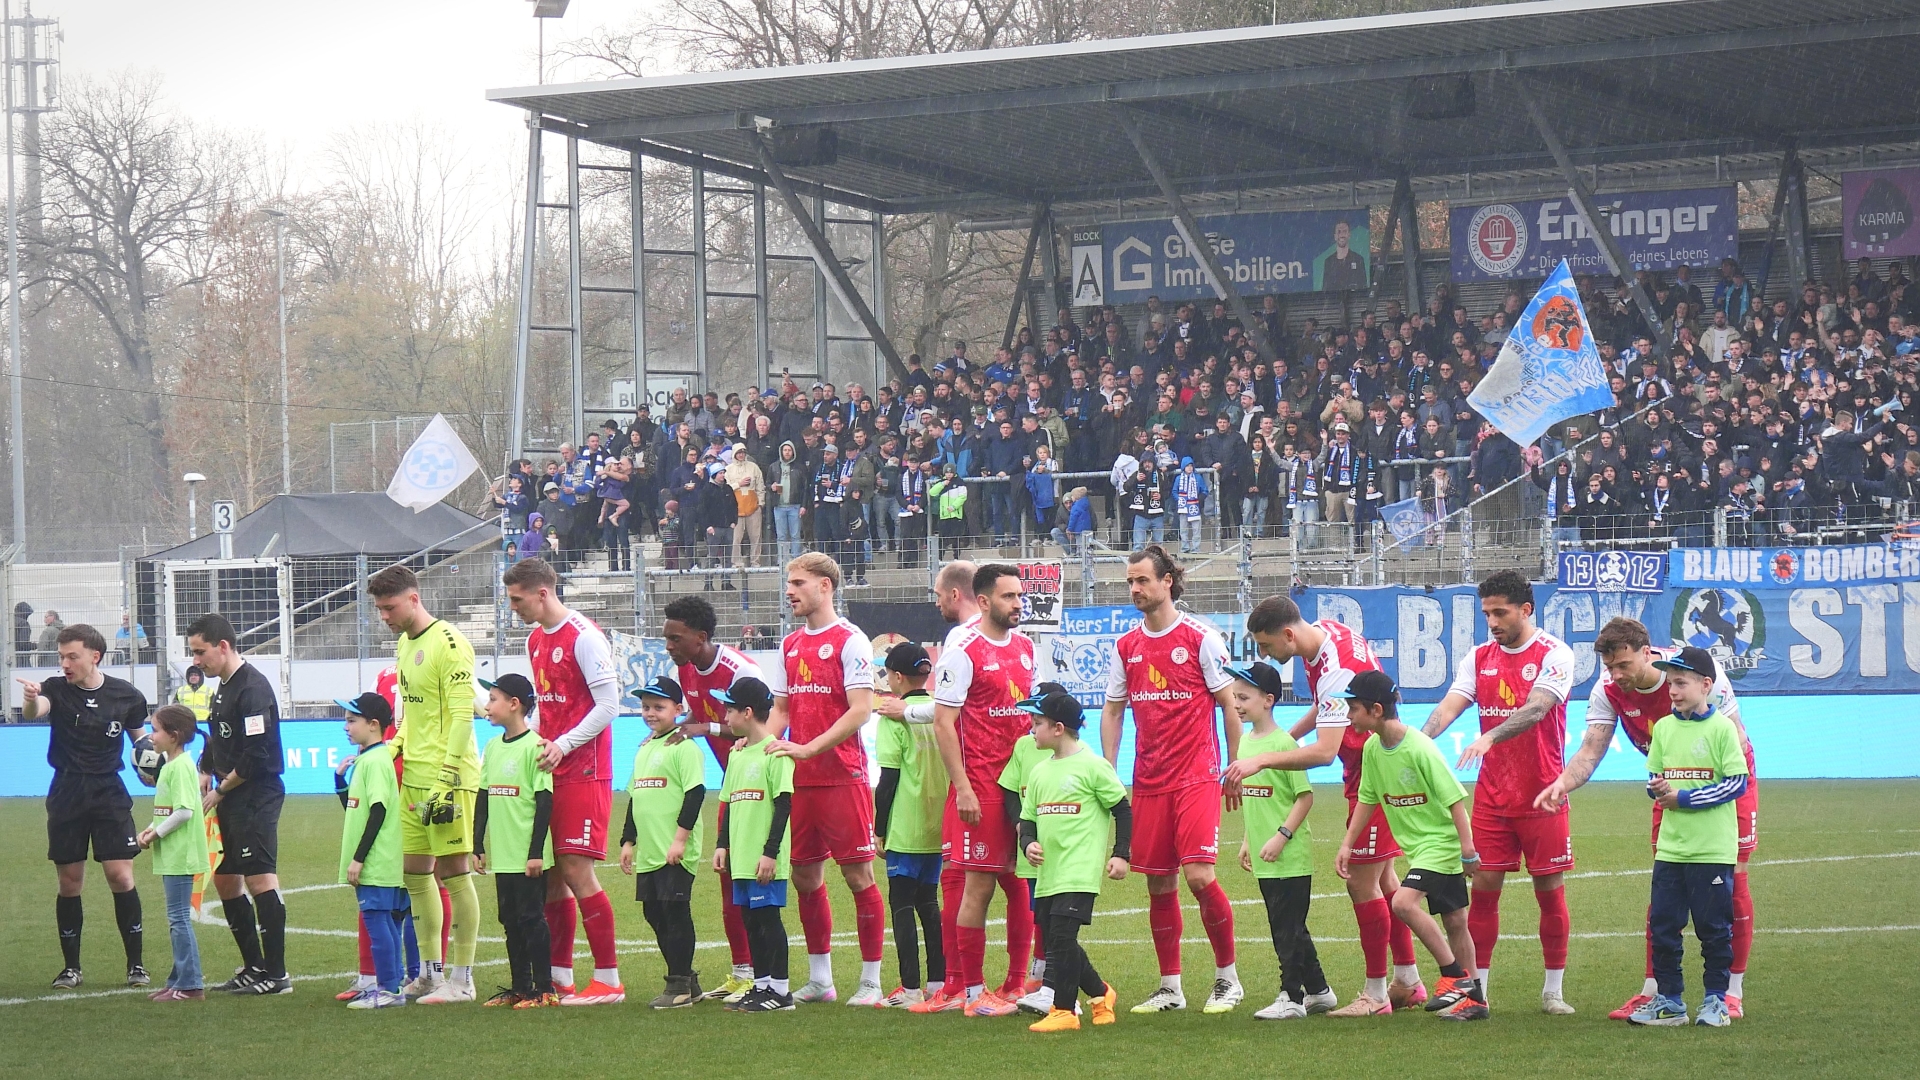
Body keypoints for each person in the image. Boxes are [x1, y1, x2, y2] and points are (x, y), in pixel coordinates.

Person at [1535, 618, 1758, 1021]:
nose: (1616, 675)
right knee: (1666, 885)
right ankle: (1656, 992)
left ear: (1647, 653)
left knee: (1732, 878)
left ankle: (1730, 993)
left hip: (1723, 779)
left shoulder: (1697, 673)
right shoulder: (1607, 691)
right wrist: (1562, 785)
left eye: (1623, 665)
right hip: (1669, 785)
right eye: (1609, 667)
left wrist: (1697, 793)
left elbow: (1735, 738)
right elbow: (1591, 750)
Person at [1231, 595, 1426, 1015]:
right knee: (1384, 879)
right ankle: (1407, 980)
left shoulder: (1334, 667)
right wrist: (1287, 738)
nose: (1266, 655)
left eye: (1266, 646)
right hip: (1372, 767)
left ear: (1288, 634)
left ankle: (1376, 995)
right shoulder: (1325, 635)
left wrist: (1263, 758)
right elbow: (1327, 706)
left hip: (1374, 773)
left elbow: (1324, 751)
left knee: (1360, 880)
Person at [1421, 569, 1578, 1014]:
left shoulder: (1555, 653)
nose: (1491, 622)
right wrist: (1419, 740)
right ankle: (1477, 992)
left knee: (1549, 889)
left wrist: (1489, 737)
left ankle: (1552, 992)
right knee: (1485, 889)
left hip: (1543, 793)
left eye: (1500, 613)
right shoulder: (1479, 657)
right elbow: (1451, 705)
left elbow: (1537, 708)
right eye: (1486, 613)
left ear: (1526, 610)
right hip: (1493, 796)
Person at [1100, 545, 1242, 1014]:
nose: (1135, 589)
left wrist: (1235, 765)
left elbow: (1229, 706)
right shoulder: (1126, 646)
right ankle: (1171, 988)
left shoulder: (1201, 638)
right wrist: (1108, 769)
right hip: (1149, 780)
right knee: (1158, 884)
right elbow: (1114, 711)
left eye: (1142, 580)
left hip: (1197, 775)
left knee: (1199, 876)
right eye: (1130, 582)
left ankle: (1228, 979)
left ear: (1167, 582)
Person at [501, 557, 625, 1005]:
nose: (513, 607)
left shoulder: (585, 636)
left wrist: (564, 743)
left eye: (517, 599)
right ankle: (559, 976)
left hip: (585, 769)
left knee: (575, 869)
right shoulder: (535, 639)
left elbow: (609, 704)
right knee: (551, 874)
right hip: (550, 769)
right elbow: (548, 705)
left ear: (542, 593)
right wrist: (532, 739)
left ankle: (609, 981)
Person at [764, 552, 884, 1004]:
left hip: (842, 777)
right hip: (801, 781)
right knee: (805, 877)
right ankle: (821, 980)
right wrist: (759, 745)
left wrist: (810, 747)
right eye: (788, 583)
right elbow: (781, 710)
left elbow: (861, 709)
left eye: (798, 583)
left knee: (858, 876)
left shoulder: (851, 640)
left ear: (825, 586)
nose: (789, 591)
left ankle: (870, 981)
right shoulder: (790, 644)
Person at [1336, 670, 1488, 1021]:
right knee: (1455, 921)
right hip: (1420, 850)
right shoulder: (1373, 748)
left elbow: (1455, 801)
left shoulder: (1420, 747)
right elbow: (1367, 799)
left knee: (1403, 903)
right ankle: (1476, 1000)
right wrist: (1347, 844)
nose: (1348, 716)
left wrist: (1468, 851)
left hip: (1441, 845)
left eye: (1353, 708)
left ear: (1376, 710)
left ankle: (1454, 977)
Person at [367, 564, 483, 1004]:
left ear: (414, 599)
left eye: (390, 607)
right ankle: (430, 974)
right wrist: (393, 749)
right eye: (379, 609)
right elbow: (413, 716)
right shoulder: (403, 643)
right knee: (415, 874)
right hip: (414, 776)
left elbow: (462, 716)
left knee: (455, 873)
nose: (385, 616)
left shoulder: (450, 642)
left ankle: (463, 979)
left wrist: (448, 774)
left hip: (448, 778)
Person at [927, 563, 1037, 1018]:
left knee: (1022, 881)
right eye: (1009, 597)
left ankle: (1016, 982)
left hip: (1021, 788)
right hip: (983, 787)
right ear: (986, 601)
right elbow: (943, 723)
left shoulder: (1026, 648)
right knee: (978, 886)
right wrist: (963, 787)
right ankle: (973, 993)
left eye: (1020, 596)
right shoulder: (963, 650)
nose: (1018, 604)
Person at [26, 622, 152, 990]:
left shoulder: (126, 695)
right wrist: (31, 697)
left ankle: (136, 966)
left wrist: (153, 765)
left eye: (72, 656)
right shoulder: (54, 689)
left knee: (121, 876)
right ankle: (71, 968)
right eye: (61, 657)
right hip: (67, 791)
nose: (64, 664)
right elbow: (36, 710)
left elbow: (142, 741)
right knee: (70, 882)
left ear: (94, 656)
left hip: (108, 792)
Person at [1628, 647, 1748, 1028]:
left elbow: (1736, 783)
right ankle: (1670, 1001)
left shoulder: (1722, 729)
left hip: (1711, 850)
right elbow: (1654, 778)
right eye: (1670, 684)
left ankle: (1715, 1001)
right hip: (1671, 850)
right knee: (1663, 927)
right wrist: (1658, 788)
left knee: (1714, 931)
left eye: (1681, 683)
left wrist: (1684, 798)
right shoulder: (1664, 728)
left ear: (1706, 685)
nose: (1673, 691)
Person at [660, 594, 763, 1002]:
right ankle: (743, 973)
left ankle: (766, 977)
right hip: (731, 782)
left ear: (700, 637)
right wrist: (674, 729)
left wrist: (705, 729)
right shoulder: (686, 668)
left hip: (759, 783)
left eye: (675, 638)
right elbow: (699, 714)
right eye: (667, 637)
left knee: (755, 878)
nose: (669, 646)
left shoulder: (739, 671)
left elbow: (762, 726)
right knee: (728, 876)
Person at [1016, 689, 1129, 1033]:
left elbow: (1122, 809)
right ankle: (1100, 993)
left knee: (1062, 939)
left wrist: (1121, 854)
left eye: (1038, 723)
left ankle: (1063, 1010)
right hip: (1048, 874)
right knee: (1057, 941)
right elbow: (1027, 820)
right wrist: (1028, 843)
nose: (1032, 729)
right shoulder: (1039, 772)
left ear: (1058, 728)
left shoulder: (1093, 766)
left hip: (1078, 872)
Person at [1224, 663, 1333, 1020]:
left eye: (1244, 698)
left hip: (1289, 856)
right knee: (1290, 927)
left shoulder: (1284, 745)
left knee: (1285, 930)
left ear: (1268, 700)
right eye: (1235, 697)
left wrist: (1281, 837)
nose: (1237, 704)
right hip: (1264, 856)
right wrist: (1247, 839)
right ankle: (1319, 991)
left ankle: (1291, 997)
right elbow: (1255, 800)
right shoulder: (1245, 744)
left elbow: (1304, 797)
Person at [189, 613, 290, 995]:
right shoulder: (223, 687)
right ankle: (254, 966)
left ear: (223, 646)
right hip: (232, 794)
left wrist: (221, 789)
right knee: (226, 879)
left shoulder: (253, 689)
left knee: (259, 877)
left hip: (256, 794)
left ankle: (277, 976)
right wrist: (206, 769)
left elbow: (257, 753)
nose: (195, 661)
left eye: (200, 652)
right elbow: (218, 738)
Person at [618, 676, 708, 1009]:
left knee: (675, 912)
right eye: (645, 707)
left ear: (678, 709)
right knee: (653, 911)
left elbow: (695, 794)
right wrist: (628, 841)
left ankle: (679, 984)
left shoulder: (685, 748)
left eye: (659, 707)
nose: (650, 713)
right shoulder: (645, 748)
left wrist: (680, 840)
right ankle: (688, 981)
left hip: (674, 849)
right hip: (650, 850)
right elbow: (635, 797)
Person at [472, 674, 558, 1009]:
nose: (487, 705)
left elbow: (544, 803)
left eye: (493, 699)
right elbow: (483, 797)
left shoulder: (536, 747)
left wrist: (535, 853)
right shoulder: (493, 747)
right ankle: (521, 987)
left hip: (527, 855)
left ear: (514, 704)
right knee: (509, 921)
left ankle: (545, 989)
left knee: (531, 919)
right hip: (504, 855)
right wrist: (478, 844)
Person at [713, 676, 798, 1012]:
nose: (725, 717)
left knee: (768, 920)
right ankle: (761, 986)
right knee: (750, 920)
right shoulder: (737, 755)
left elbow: (783, 806)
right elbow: (729, 802)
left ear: (747, 713)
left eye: (729, 710)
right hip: (741, 856)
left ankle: (781, 991)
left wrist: (770, 853)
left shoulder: (776, 753)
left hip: (764, 857)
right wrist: (722, 845)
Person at [872, 641, 949, 1008]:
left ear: (898, 677)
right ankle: (938, 983)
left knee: (901, 904)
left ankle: (910, 988)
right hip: (939, 824)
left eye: (888, 674)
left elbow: (888, 779)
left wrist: (879, 829)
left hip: (906, 825)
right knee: (929, 903)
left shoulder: (894, 716)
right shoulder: (941, 711)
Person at [335, 689, 409, 1009]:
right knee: (384, 923)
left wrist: (359, 858)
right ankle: (392, 985)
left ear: (374, 724)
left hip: (376, 860)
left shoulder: (377, 761)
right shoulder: (369, 759)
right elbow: (357, 810)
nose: (346, 727)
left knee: (378, 924)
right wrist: (339, 782)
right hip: (378, 860)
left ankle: (389, 990)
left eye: (352, 720)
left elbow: (378, 811)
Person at [135, 704, 207, 1001]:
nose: (150, 736)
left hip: (181, 853)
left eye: (155, 730)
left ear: (174, 736)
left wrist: (155, 834)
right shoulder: (171, 765)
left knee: (178, 919)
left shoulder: (181, 767)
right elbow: (167, 811)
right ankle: (178, 980)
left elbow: (185, 812)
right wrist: (149, 829)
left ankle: (190, 985)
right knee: (176, 918)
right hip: (173, 853)